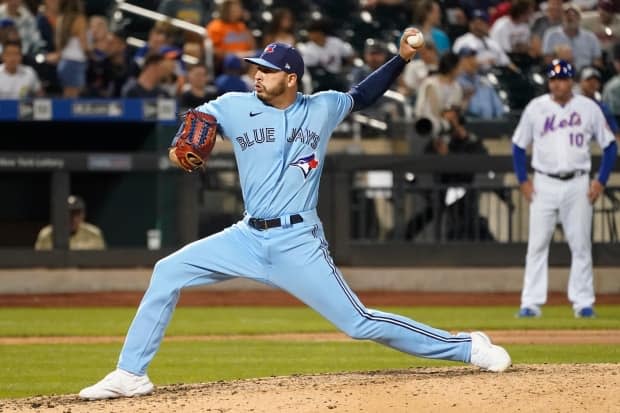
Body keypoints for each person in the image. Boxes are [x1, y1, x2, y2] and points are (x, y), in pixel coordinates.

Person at [78, 30, 511, 401]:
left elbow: (364, 94)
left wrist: (402, 58)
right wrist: (179, 148)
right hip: (246, 237)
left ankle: (465, 346)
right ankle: (131, 373)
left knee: (358, 323)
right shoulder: (234, 105)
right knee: (167, 270)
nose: (256, 75)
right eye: (255, 68)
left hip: (297, 241)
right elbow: (194, 121)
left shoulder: (321, 107)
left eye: (265, 70)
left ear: (290, 77)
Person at [512, 59, 617, 318]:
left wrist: (601, 180)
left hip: (578, 182)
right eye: (553, 79)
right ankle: (531, 302)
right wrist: (523, 179)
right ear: (549, 82)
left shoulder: (588, 107)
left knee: (581, 244)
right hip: (544, 182)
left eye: (562, 78)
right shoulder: (536, 108)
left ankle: (583, 302)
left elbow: (610, 145)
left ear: (571, 81)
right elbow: (517, 145)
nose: (557, 83)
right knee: (537, 244)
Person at [34, 195, 106, 250]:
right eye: (68, 213)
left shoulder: (94, 234)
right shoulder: (46, 234)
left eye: (76, 213)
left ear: (83, 215)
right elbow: (37, 264)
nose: (72, 218)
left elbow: (103, 263)